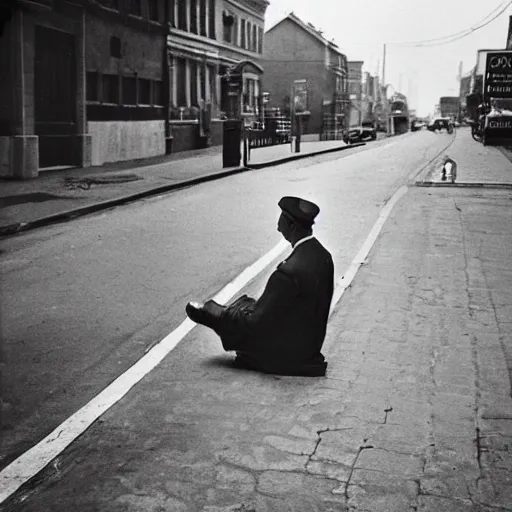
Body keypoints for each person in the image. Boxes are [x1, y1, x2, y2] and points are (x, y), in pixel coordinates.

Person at [185, 196, 335, 377]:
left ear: (291, 225)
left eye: (281, 218)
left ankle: (215, 314)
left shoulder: (287, 273)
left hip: (290, 356)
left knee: (241, 315)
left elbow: (257, 325)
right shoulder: (323, 255)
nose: (278, 225)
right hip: (309, 344)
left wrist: (232, 317)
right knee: (250, 304)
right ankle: (224, 312)